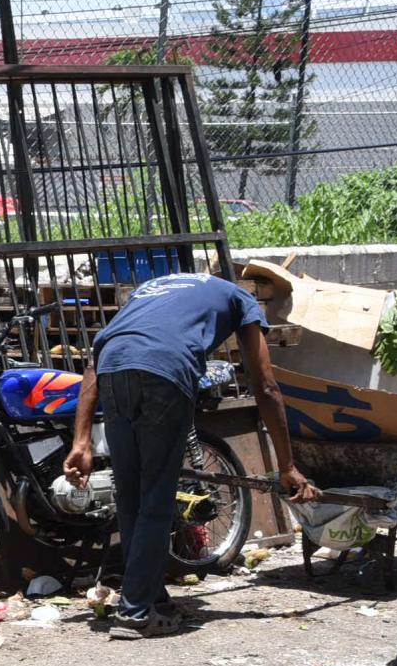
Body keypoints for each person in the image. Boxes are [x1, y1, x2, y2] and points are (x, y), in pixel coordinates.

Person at [63, 271, 316, 640]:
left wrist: (82, 442)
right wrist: (288, 466)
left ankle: (148, 594)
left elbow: (93, 364)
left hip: (112, 370)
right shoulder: (240, 299)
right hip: (164, 373)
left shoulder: (150, 289)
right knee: (156, 497)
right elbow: (264, 384)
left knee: (131, 495)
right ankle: (135, 613)